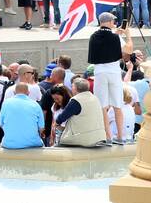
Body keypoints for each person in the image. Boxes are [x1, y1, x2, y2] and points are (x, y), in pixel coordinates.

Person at [87, 12, 134, 143]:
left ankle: (107, 136)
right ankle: (120, 136)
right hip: (113, 72)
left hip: (99, 72)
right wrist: (128, 35)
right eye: (113, 21)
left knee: (102, 106)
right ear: (109, 21)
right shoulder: (115, 37)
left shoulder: (93, 37)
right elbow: (128, 50)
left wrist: (116, 34)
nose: (115, 23)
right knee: (117, 105)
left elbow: (105, 44)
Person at [52, 78, 110, 148]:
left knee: (59, 143)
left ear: (75, 88)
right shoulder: (95, 98)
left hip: (83, 138)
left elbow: (61, 118)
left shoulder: (76, 101)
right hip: (99, 136)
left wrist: (56, 124)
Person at [0, 83, 45, 149]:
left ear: (14, 92)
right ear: (28, 93)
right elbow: (41, 128)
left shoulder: (6, 103)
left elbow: (1, 123)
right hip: (32, 143)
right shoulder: (35, 105)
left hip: (9, 144)